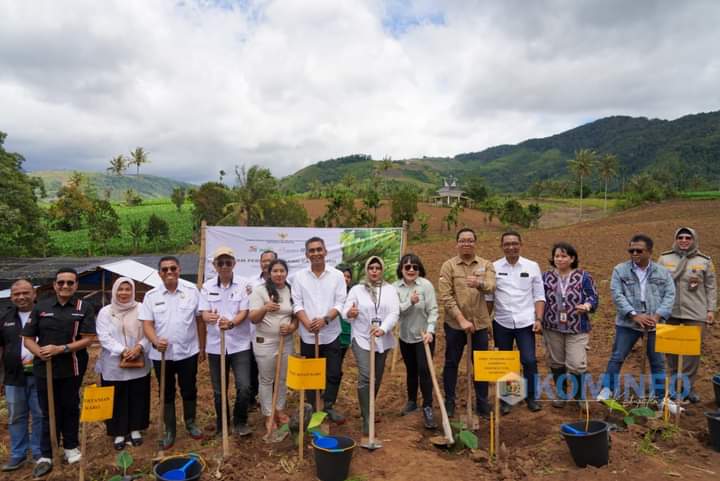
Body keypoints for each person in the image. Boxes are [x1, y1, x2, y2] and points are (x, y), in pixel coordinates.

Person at [22, 268, 96, 478]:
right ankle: (47, 454)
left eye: (70, 283)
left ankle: (71, 447)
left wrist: (61, 349)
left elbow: (88, 338)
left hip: (72, 366)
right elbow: (27, 338)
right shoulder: (41, 307)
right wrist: (40, 352)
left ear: (76, 286)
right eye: (61, 282)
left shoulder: (84, 307)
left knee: (70, 407)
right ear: (55, 285)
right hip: (44, 369)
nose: (65, 286)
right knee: (47, 411)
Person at [597, 234, 679, 412]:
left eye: (639, 250)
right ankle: (607, 389)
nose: (634, 253)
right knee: (617, 356)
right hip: (627, 323)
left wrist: (657, 316)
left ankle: (661, 399)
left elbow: (670, 295)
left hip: (654, 324)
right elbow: (617, 295)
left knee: (657, 361)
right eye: (631, 250)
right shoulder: (620, 270)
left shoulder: (662, 272)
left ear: (649, 252)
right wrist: (634, 315)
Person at [141, 256, 204, 449]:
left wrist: (202, 347)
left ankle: (191, 422)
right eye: (165, 269)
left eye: (173, 268)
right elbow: (147, 324)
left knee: (189, 388)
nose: (169, 272)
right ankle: (170, 430)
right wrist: (154, 340)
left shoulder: (192, 291)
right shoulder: (151, 296)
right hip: (162, 355)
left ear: (179, 269)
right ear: (159, 273)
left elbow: (200, 321)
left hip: (188, 352)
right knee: (166, 392)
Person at [438, 228, 496, 418]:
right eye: (462, 240)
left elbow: (491, 286)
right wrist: (461, 320)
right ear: (457, 244)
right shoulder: (449, 266)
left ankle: (482, 402)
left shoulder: (486, 265)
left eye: (470, 240)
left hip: (479, 324)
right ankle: (450, 401)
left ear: (475, 243)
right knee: (451, 362)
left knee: (480, 365)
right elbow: (446, 296)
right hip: (455, 325)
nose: (466, 243)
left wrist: (479, 284)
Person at [487, 231, 544, 414]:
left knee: (528, 360)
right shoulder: (493, 267)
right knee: (506, 362)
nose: (511, 247)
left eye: (514, 243)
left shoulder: (532, 266)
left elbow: (539, 295)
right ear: (501, 246)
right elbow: (489, 297)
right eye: (507, 244)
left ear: (521, 244)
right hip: (502, 322)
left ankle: (531, 397)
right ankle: (509, 398)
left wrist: (538, 318)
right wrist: (487, 321)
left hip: (526, 321)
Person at [657, 227, 717, 403]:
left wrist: (711, 310)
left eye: (688, 237)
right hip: (670, 310)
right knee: (671, 349)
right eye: (680, 237)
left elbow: (711, 287)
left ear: (694, 239)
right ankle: (674, 386)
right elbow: (656, 283)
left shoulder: (704, 261)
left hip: (695, 311)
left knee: (692, 352)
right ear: (675, 239)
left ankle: (687, 388)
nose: (684, 240)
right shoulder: (664, 258)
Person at [292, 237, 347, 423]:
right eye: (312, 250)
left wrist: (325, 320)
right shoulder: (299, 277)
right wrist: (307, 323)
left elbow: (340, 303)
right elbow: (297, 304)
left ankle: (328, 405)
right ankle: (314, 408)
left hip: (331, 334)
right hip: (308, 336)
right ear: (307, 254)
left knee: (333, 373)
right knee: (311, 375)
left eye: (319, 249)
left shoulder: (337, 276)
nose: (316, 253)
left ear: (325, 252)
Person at [343, 256, 399, 438]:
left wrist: (383, 329)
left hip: (382, 338)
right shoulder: (357, 290)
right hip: (361, 337)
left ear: (382, 270)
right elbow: (346, 311)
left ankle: (368, 407)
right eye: (371, 268)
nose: (374, 271)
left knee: (377, 377)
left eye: (377, 268)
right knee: (366, 375)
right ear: (366, 270)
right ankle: (367, 417)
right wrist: (349, 313)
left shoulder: (390, 290)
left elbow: (394, 312)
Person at [199, 247, 253, 438]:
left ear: (234, 264)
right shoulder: (206, 287)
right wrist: (209, 318)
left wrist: (231, 323)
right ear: (214, 266)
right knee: (219, 390)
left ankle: (240, 421)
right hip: (216, 346)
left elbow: (244, 312)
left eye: (227, 262)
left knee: (244, 387)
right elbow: (203, 312)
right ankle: (222, 424)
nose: (224, 266)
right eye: (220, 263)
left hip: (239, 345)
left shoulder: (244, 285)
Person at [95, 278, 151, 450]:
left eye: (128, 289)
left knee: (137, 395)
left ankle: (135, 429)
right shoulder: (106, 312)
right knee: (116, 397)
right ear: (114, 291)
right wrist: (123, 350)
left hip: (138, 359)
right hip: (113, 363)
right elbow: (103, 336)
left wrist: (139, 347)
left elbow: (150, 331)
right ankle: (118, 432)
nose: (124, 293)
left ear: (133, 291)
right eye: (120, 289)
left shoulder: (142, 308)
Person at [541, 243, 599, 407]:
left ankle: (579, 395)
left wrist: (587, 306)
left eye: (564, 256)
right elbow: (539, 298)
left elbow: (593, 297)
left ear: (572, 258)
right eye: (557, 256)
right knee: (556, 362)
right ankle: (561, 394)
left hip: (577, 327)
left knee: (576, 364)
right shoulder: (546, 277)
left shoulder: (583, 276)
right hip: (552, 326)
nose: (559, 259)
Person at [248, 259, 298, 437]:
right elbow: (253, 318)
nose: (279, 274)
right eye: (275, 271)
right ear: (269, 273)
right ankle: (268, 414)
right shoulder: (259, 291)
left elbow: (296, 314)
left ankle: (279, 409)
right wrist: (265, 307)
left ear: (286, 273)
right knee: (267, 379)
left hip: (286, 341)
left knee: (283, 378)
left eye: (282, 271)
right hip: (265, 342)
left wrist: (292, 327)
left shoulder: (291, 290)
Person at [0, 280, 43, 472]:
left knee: (40, 414)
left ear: (34, 294)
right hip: (13, 376)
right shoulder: (5, 318)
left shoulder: (44, 315)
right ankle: (18, 454)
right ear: (11, 297)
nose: (21, 297)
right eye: (17, 294)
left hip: (40, 373)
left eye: (25, 293)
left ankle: (39, 452)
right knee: (16, 416)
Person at [393, 253, 439, 429]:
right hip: (406, 336)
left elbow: (433, 310)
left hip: (424, 336)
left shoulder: (425, 285)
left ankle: (427, 406)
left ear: (419, 269)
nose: (411, 270)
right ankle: (412, 401)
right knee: (411, 370)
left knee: (424, 370)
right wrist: (409, 302)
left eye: (415, 267)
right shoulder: (396, 288)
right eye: (407, 267)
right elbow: (396, 312)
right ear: (402, 269)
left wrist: (430, 331)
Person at [245, 250, 278, 410]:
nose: (266, 263)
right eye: (263, 261)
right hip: (253, 334)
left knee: (271, 370)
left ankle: (271, 401)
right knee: (252, 368)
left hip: (275, 337)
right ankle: (251, 399)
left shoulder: (282, 283)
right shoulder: (251, 283)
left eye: (269, 261)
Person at [336, 265, 354, 383]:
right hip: (330, 335)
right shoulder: (330, 292)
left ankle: (330, 395)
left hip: (345, 335)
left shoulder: (353, 295)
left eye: (348, 276)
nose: (346, 278)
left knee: (337, 364)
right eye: (343, 275)